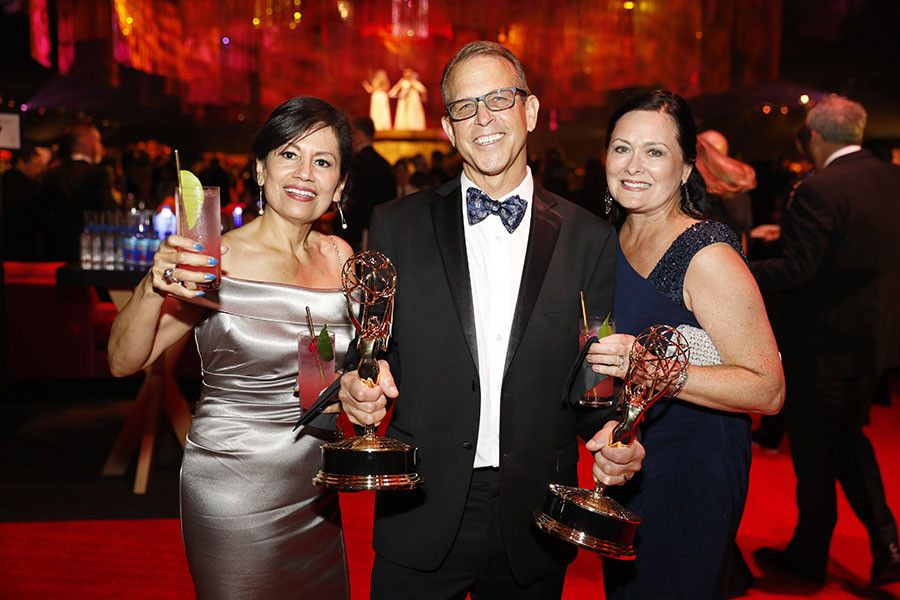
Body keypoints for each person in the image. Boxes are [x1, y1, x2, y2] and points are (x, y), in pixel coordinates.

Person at [337, 41, 645, 599]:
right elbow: (375, 352)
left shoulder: (590, 238)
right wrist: (361, 388)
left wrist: (614, 433)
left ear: (528, 112)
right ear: (449, 130)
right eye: (464, 106)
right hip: (420, 502)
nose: (483, 119)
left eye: (498, 100)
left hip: (535, 511)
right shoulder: (395, 226)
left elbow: (594, 371)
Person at [106, 97, 355, 599]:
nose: (304, 173)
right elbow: (123, 361)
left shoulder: (338, 258)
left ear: (340, 184)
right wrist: (155, 285)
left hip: (315, 483)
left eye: (323, 161)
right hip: (234, 484)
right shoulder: (216, 258)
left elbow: (318, 373)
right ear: (261, 169)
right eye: (288, 154)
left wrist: (353, 393)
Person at [588, 90, 784, 599]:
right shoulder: (608, 237)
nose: (633, 165)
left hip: (691, 463)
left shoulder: (706, 252)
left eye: (655, 152)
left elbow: (767, 389)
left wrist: (649, 366)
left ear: (686, 168)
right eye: (621, 148)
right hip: (628, 458)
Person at [751, 95, 900, 587]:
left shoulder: (820, 190)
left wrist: (734, 271)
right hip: (874, 344)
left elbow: (798, 270)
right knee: (849, 443)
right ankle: (887, 546)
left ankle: (809, 557)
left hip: (822, 348)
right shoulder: (891, 178)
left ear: (814, 137)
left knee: (816, 456)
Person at [40, 125, 117, 261]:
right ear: (87, 141)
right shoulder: (97, 174)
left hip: (54, 252)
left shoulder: (50, 174)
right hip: (91, 252)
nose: (100, 146)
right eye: (97, 141)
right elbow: (109, 212)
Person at [343, 115, 397, 250]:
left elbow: (354, 199)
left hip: (358, 233)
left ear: (358, 134)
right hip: (384, 229)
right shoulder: (385, 163)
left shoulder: (358, 163)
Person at [1, 144, 48, 260]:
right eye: (35, 165)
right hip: (24, 248)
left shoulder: (3, 180)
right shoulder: (30, 187)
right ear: (21, 161)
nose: (37, 170)